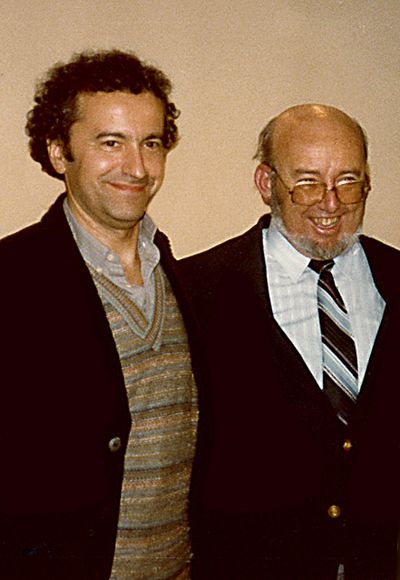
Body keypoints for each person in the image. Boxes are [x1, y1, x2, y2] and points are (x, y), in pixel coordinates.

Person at [0, 49, 198, 579]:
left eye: (150, 143)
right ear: (58, 151)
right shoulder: (12, 281)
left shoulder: (187, 278)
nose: (137, 167)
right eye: (111, 142)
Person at [181, 104, 400, 579]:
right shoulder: (197, 290)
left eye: (348, 180)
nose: (331, 203)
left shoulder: (396, 277)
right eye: (307, 181)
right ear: (266, 183)